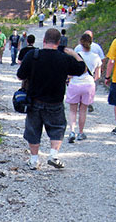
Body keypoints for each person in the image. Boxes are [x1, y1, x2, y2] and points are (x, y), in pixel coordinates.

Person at [17, 28, 86, 169]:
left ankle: (34, 160)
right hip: (55, 102)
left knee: (33, 130)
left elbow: (20, 75)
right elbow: (82, 69)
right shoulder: (64, 58)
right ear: (58, 42)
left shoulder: (32, 55)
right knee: (57, 128)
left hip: (34, 101)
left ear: (44, 41)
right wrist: (74, 53)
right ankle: (53, 155)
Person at [66, 33, 102, 142]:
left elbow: (70, 73)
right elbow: (98, 75)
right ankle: (81, 132)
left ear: (80, 43)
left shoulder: (76, 55)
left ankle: (72, 131)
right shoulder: (96, 57)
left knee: (73, 110)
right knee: (83, 110)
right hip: (88, 84)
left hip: (75, 84)